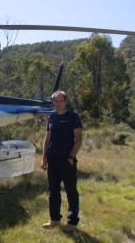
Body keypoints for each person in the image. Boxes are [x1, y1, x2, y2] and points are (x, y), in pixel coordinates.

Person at [41, 90, 83, 231]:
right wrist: (44, 158)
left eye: (61, 100)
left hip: (67, 160)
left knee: (71, 191)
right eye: (55, 101)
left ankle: (72, 222)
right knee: (53, 191)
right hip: (52, 160)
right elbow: (47, 139)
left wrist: (71, 156)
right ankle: (54, 220)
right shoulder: (51, 117)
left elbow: (78, 138)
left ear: (65, 101)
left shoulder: (73, 116)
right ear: (53, 102)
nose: (58, 103)